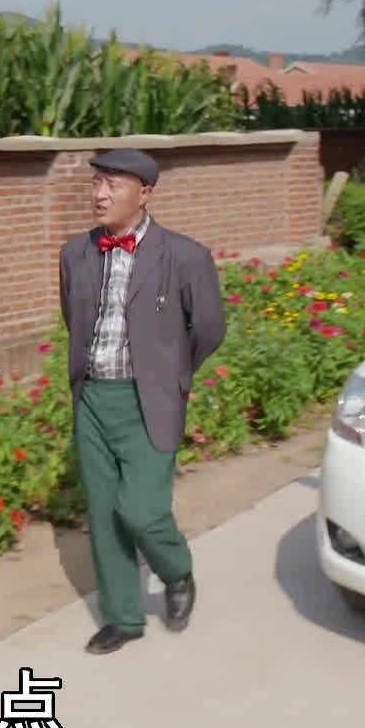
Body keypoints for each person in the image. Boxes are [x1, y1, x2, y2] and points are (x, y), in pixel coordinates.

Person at [56, 149, 227, 655]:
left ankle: (177, 571)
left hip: (149, 400)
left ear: (145, 193)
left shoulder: (185, 256)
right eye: (96, 184)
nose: (100, 194)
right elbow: (74, 320)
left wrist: (171, 374)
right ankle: (123, 618)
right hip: (93, 397)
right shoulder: (75, 254)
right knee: (105, 514)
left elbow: (210, 328)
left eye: (113, 185)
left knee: (141, 511)